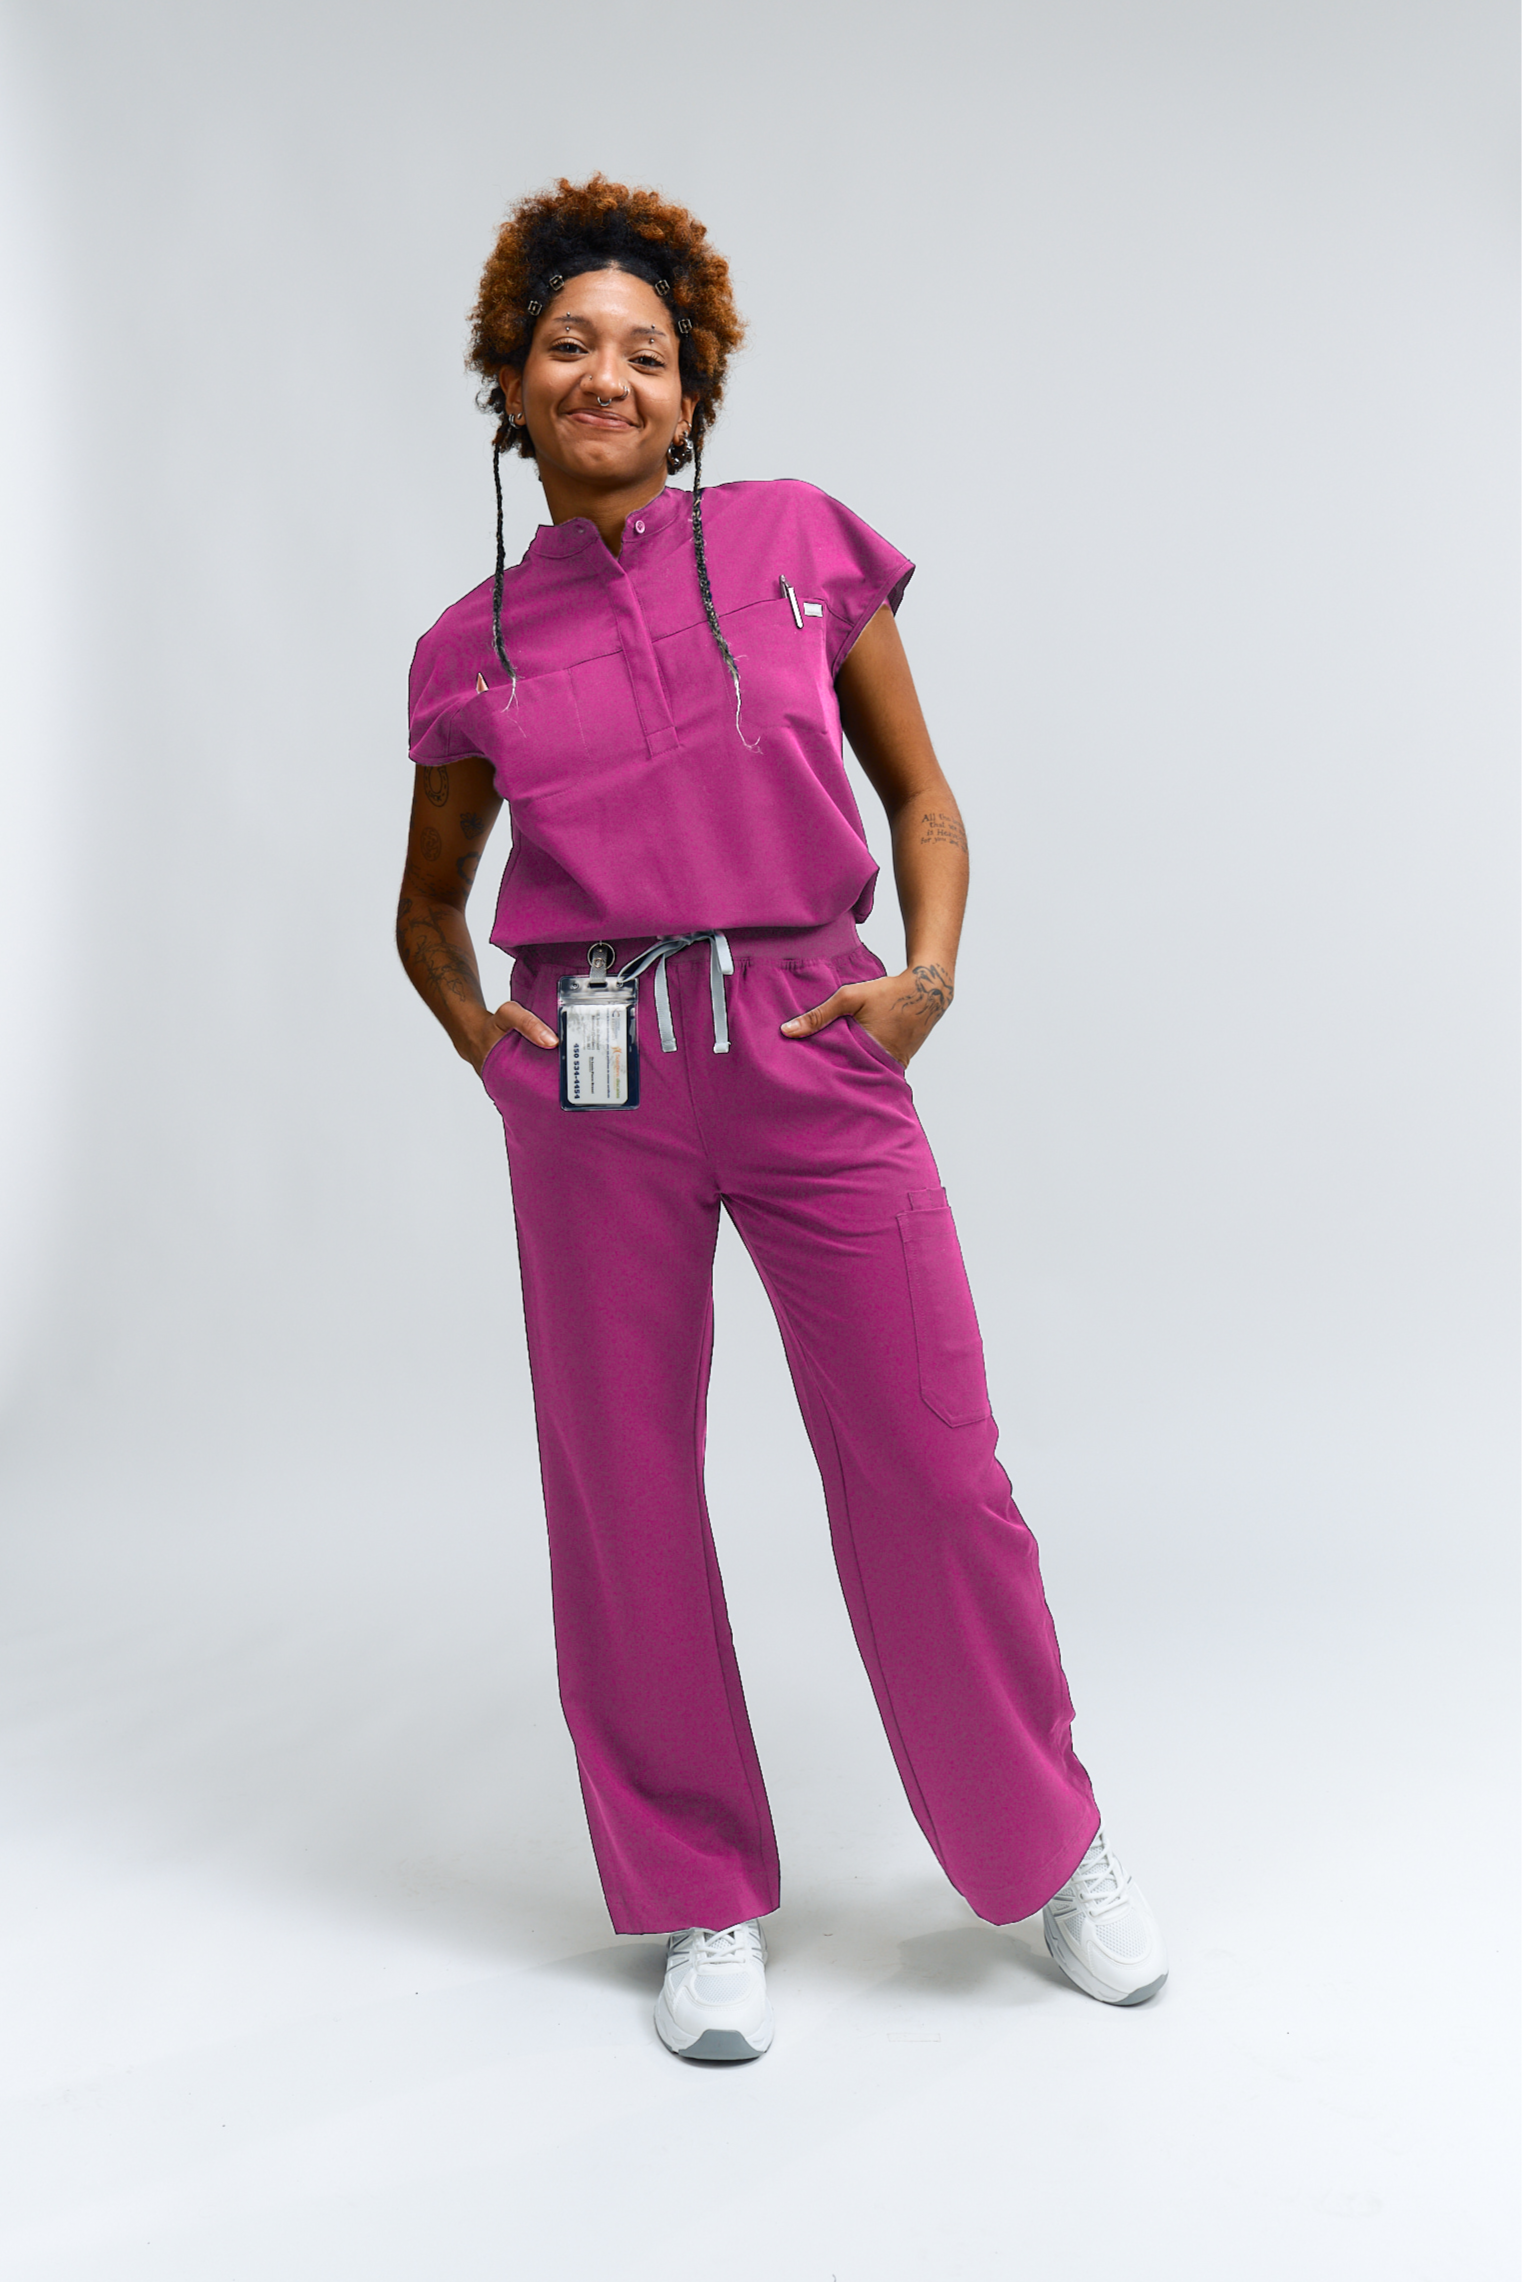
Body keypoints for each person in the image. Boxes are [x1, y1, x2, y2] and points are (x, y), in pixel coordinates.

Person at [397, 175, 1167, 2060]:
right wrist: (508, 1055)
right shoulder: (464, 645)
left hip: (814, 1037)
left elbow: (925, 800)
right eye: (569, 344)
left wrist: (928, 973)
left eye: (645, 352)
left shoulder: (801, 545)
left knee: (927, 1458)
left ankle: (1042, 1847)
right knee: (623, 1485)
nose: (607, 374)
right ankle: (698, 1898)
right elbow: (425, 910)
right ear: (511, 377)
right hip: (597, 1076)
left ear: (693, 388)